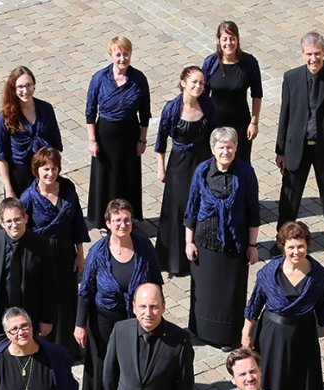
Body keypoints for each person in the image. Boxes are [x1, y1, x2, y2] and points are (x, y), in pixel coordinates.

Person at [241, 221, 324, 390]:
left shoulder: (319, 276)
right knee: (273, 381)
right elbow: (254, 305)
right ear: (282, 246)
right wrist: (246, 334)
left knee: (298, 384)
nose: (296, 252)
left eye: (300, 246)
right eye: (291, 247)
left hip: (303, 337)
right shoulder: (268, 274)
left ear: (307, 246)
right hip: (272, 337)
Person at [76, 199, 163, 390]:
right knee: (106, 365)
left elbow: (155, 280)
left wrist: (156, 310)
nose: (122, 225)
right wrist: (80, 324)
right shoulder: (98, 252)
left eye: (126, 220)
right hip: (105, 319)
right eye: (117, 220)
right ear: (108, 223)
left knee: (133, 362)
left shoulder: (144, 246)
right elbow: (86, 290)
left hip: (135, 319)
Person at [275, 32, 324, 264]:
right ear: (302, 54)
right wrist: (280, 150)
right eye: (309, 54)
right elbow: (285, 114)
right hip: (296, 147)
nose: (313, 59)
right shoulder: (291, 78)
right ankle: (282, 241)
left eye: (317, 54)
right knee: (289, 196)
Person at [184, 126, 260, 348]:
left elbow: (253, 211)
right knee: (204, 290)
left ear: (236, 148)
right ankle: (199, 330)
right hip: (205, 242)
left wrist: (252, 245)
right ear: (213, 148)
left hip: (234, 243)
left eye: (230, 147)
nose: (225, 151)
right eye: (221, 147)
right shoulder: (202, 171)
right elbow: (192, 208)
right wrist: (189, 242)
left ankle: (228, 336)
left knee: (230, 293)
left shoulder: (245, 173)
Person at [20, 147, 90, 361]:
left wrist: (80, 253)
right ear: (37, 170)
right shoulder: (29, 197)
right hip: (42, 257)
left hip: (65, 253)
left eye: (54, 168)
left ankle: (69, 347)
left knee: (67, 299)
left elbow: (77, 220)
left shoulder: (67, 188)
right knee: (47, 299)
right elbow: (24, 232)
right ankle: (47, 348)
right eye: (46, 169)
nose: (51, 174)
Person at [85, 36, 151, 226]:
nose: (122, 59)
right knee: (106, 178)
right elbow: (90, 112)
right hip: (105, 136)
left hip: (129, 136)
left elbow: (145, 114)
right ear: (111, 55)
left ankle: (127, 218)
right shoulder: (99, 78)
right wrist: (92, 140)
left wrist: (142, 140)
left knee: (126, 177)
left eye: (126, 54)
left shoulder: (139, 79)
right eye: (118, 54)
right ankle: (105, 219)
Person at [154, 65, 213, 277]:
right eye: (194, 82)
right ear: (183, 83)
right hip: (179, 164)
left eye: (201, 83)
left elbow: (214, 133)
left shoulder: (207, 104)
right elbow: (160, 142)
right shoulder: (172, 108)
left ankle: (200, 250)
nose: (198, 86)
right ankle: (175, 260)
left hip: (203, 160)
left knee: (200, 204)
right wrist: (161, 169)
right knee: (179, 207)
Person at [0, 198, 56, 343]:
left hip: (28, 317)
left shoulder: (41, 244)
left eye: (17, 219)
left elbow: (49, 285)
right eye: (9, 221)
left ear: (26, 218)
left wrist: (46, 319)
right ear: (2, 223)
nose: (14, 225)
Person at [200, 20, 263, 166]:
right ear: (218, 41)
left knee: (240, 164)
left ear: (238, 39)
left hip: (240, 124)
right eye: (225, 39)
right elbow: (203, 94)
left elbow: (257, 94)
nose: (229, 43)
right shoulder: (211, 63)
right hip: (215, 123)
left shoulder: (249, 63)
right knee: (215, 163)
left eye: (233, 38)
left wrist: (254, 122)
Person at [0, 66, 63, 199]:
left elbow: (55, 145)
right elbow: (2, 157)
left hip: (43, 175)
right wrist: (9, 190)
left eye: (28, 85)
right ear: (13, 89)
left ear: (34, 85)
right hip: (19, 177)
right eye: (20, 87)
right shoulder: (4, 118)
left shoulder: (46, 109)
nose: (25, 91)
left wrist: (52, 175)